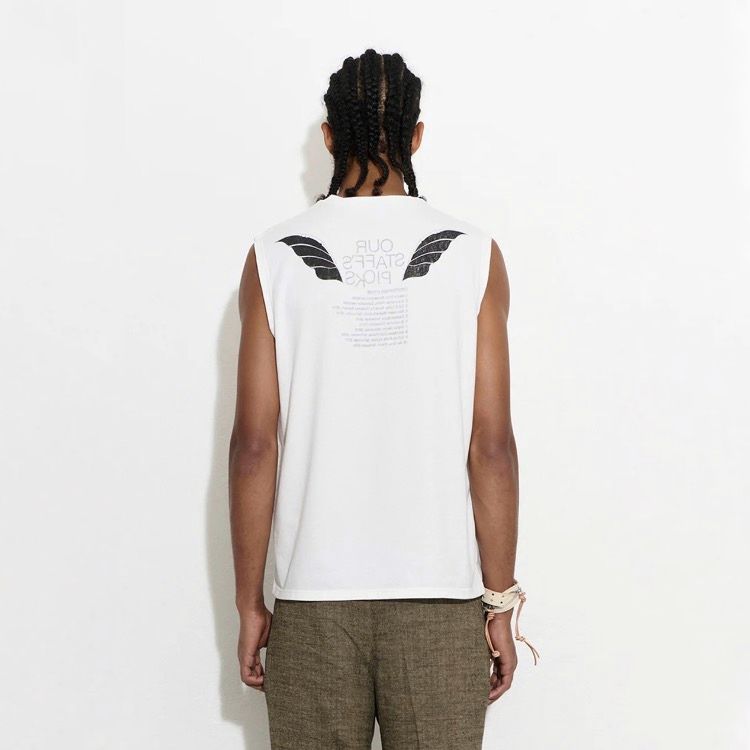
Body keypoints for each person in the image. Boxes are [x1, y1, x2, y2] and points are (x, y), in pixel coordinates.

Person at [229, 48, 537, 750]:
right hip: (440, 601)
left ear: (328, 138)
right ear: (416, 137)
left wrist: (249, 604)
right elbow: (492, 446)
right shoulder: (472, 253)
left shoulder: (274, 255)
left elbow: (253, 445)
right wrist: (499, 600)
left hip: (311, 602)